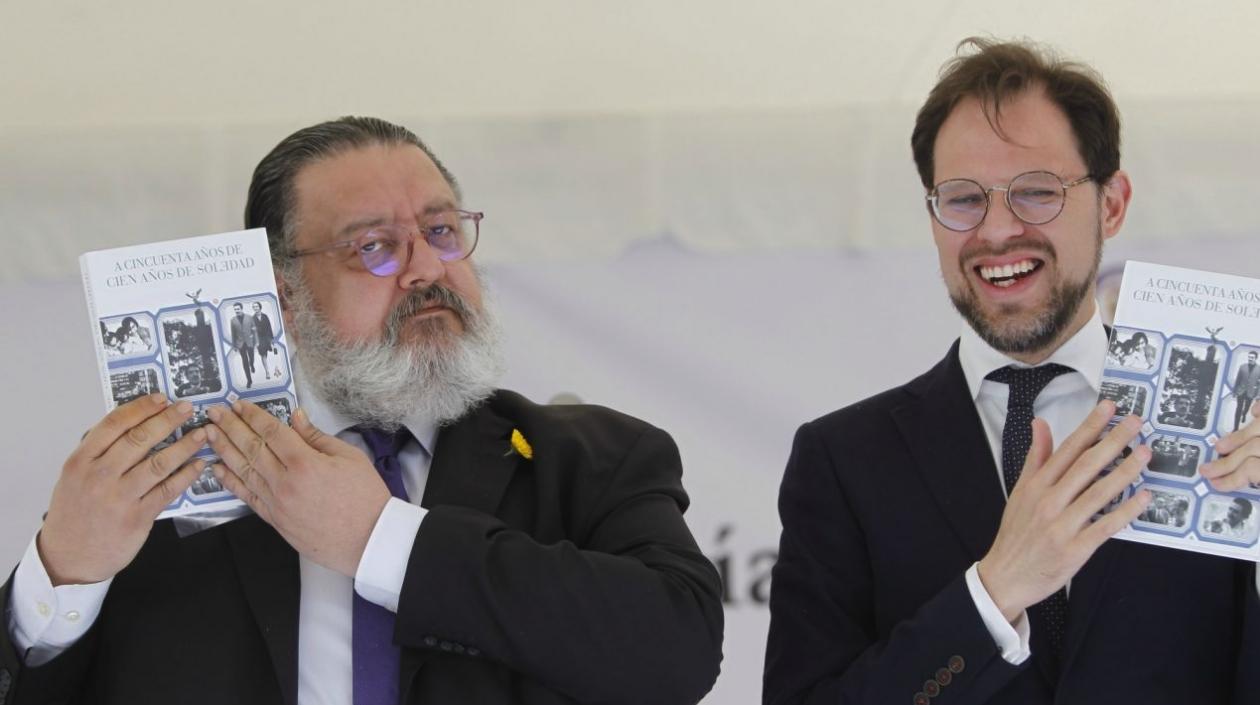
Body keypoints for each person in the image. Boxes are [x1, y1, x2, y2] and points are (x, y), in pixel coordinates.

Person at [1, 116, 723, 704]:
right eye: (374, 246)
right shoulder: (171, 475)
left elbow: (678, 653)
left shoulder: (592, 458)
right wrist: (62, 571)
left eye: (441, 231)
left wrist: (381, 539)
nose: (425, 268)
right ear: (281, 294)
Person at [764, 38, 1260, 705]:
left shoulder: (1221, 418)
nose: (997, 231)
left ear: (1111, 203)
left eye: (1035, 192)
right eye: (963, 198)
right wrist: (992, 594)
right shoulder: (843, 461)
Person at [229, 301, 258, 388]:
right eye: (235, 309)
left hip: (250, 342)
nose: (236, 310)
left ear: (241, 308)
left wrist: (256, 341)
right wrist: (234, 345)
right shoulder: (233, 320)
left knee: (251, 357)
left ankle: (252, 364)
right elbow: (233, 334)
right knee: (244, 361)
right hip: (240, 344)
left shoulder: (249, 317)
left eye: (238, 309)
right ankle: (249, 380)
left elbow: (254, 329)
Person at [1233, 351, 1260, 431]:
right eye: (1249, 357)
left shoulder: (1259, 369)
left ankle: (1244, 414)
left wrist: (1258, 395)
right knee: (1238, 408)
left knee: (1247, 407)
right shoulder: (1242, 367)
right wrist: (1234, 391)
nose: (1250, 359)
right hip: (1241, 391)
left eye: (1252, 357)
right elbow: (1238, 379)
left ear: (1256, 358)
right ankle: (1235, 428)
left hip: (1251, 392)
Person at [253, 301, 277, 380]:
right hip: (260, 339)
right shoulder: (252, 318)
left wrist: (272, 340)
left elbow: (269, 328)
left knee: (273, 353)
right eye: (254, 307)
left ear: (260, 307)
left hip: (267, 337)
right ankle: (267, 372)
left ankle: (276, 369)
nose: (255, 308)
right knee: (263, 355)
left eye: (256, 306)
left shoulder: (265, 316)